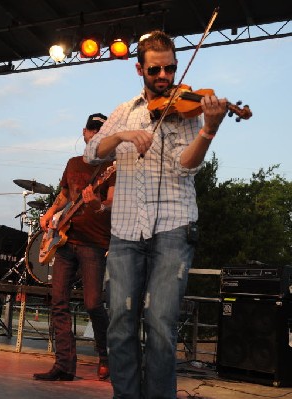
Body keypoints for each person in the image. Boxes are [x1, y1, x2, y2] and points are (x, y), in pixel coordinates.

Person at [84, 30, 228, 398]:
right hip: (126, 232)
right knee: (120, 324)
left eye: (170, 69)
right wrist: (123, 136)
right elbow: (92, 152)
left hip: (173, 227)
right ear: (139, 69)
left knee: (161, 324)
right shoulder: (125, 111)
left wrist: (209, 130)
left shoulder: (187, 110)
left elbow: (187, 166)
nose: (164, 77)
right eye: (155, 71)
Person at [33, 113, 114, 382]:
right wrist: (50, 213)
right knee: (58, 302)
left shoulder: (111, 166)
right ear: (85, 132)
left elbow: (111, 203)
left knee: (93, 303)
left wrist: (96, 205)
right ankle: (65, 365)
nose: (96, 135)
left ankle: (106, 356)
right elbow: (66, 195)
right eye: (93, 130)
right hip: (65, 239)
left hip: (94, 242)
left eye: (101, 132)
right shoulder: (72, 163)